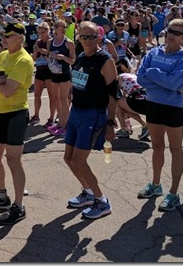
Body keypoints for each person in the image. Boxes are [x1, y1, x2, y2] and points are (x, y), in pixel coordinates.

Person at [136, 18, 183, 212]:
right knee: (157, 147)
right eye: (169, 30)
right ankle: (155, 184)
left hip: (173, 108)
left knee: (175, 149)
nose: (170, 35)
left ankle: (174, 193)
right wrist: (162, 77)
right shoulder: (154, 52)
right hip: (153, 105)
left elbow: (174, 84)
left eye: (177, 33)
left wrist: (154, 74)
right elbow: (140, 78)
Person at [64, 22, 119, 219]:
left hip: (93, 113)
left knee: (79, 160)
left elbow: (113, 94)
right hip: (76, 112)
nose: (87, 41)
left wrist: (111, 123)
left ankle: (101, 200)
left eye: (91, 37)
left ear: (99, 38)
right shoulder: (79, 57)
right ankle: (87, 192)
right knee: (68, 158)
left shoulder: (105, 60)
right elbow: (77, 81)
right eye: (83, 37)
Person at [0, 20, 33, 225]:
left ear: (19, 38)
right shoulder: (3, 55)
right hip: (0, 112)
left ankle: (19, 206)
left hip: (16, 113)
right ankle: (2, 196)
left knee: (13, 160)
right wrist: (0, 81)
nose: (3, 38)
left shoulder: (24, 60)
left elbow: (10, 90)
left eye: (7, 36)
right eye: (2, 35)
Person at [46, 19, 76, 137]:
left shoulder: (69, 43)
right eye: (60, 27)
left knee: (64, 98)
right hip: (54, 72)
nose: (62, 29)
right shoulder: (50, 41)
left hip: (64, 73)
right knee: (56, 98)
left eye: (64, 27)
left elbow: (73, 60)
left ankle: (65, 125)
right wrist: (51, 57)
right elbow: (48, 55)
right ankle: (60, 123)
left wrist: (63, 57)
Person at [31, 22, 52, 125]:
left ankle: (51, 118)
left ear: (48, 31)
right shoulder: (38, 41)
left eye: (43, 32)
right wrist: (35, 52)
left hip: (49, 70)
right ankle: (36, 115)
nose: (41, 35)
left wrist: (41, 50)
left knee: (51, 96)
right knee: (36, 94)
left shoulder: (51, 41)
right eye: (39, 33)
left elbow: (50, 54)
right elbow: (34, 58)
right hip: (40, 68)